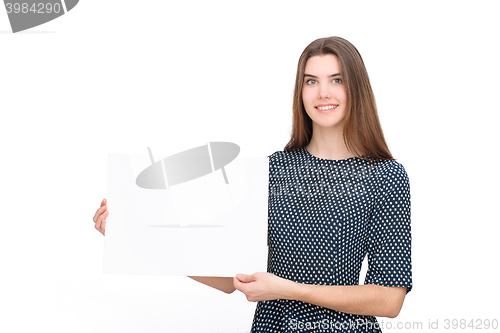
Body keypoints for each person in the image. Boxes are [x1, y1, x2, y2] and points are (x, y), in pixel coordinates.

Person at [93, 36, 412, 332]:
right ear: (300, 93)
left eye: (337, 80)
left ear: (357, 89)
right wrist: (133, 237)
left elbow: (388, 299)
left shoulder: (386, 177)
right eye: (311, 81)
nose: (323, 92)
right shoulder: (273, 170)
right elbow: (233, 278)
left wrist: (287, 290)